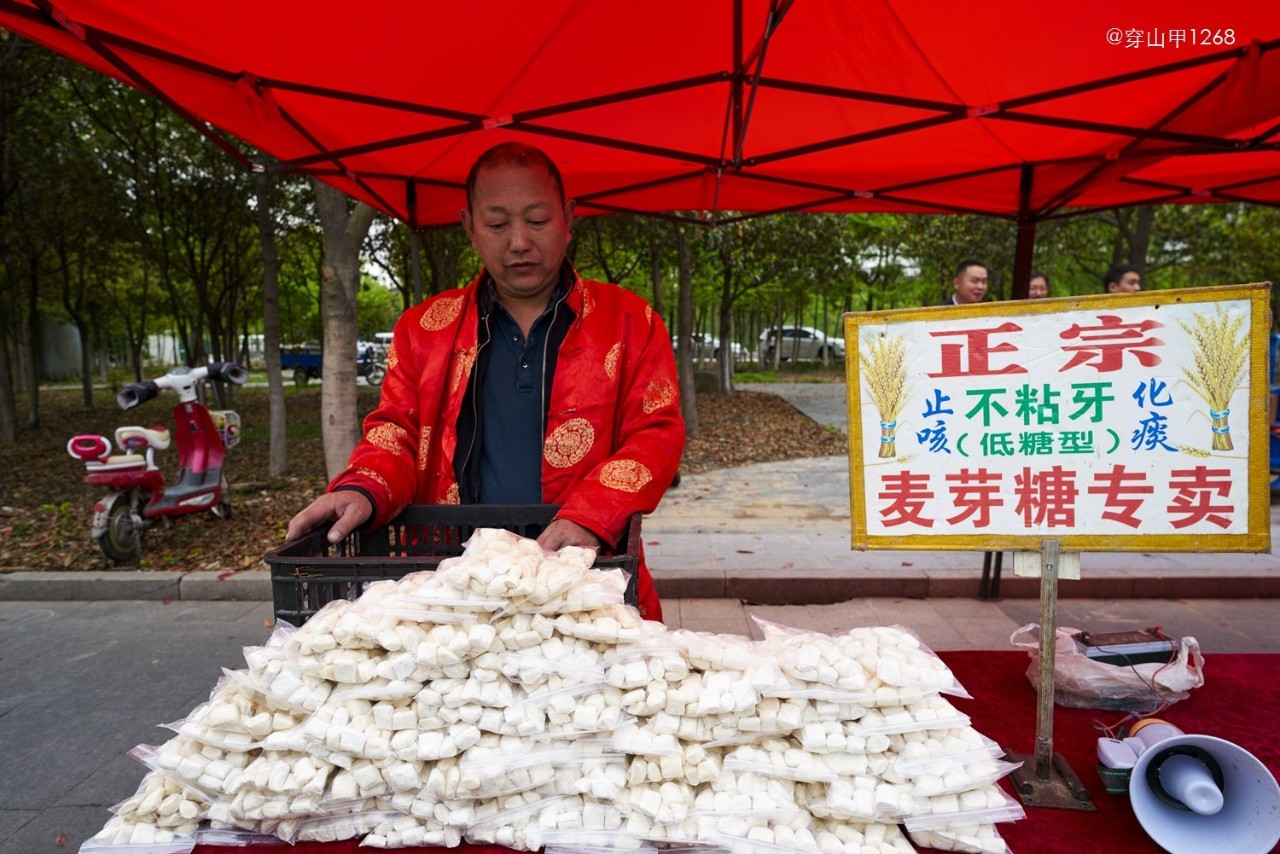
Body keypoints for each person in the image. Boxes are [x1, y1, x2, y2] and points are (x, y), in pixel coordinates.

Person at [286, 142, 685, 621]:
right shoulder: (423, 330)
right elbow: (395, 433)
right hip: (452, 586)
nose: (519, 241)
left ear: (568, 217)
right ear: (469, 227)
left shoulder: (630, 321)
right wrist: (361, 489)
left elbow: (656, 435)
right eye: (497, 224)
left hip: (586, 581)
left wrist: (592, 514)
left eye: (537, 220)